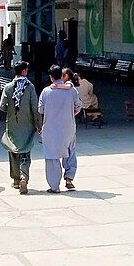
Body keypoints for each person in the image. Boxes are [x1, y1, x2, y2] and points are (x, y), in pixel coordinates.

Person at [38, 65, 82, 193]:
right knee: (70, 152)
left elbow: (40, 109)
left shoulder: (46, 91)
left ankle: (54, 186)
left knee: (52, 156)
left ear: (51, 77)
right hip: (68, 127)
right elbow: (78, 107)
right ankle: (69, 178)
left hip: (51, 129)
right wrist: (69, 114)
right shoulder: (72, 90)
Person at [0, 61, 42, 194]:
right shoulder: (30, 87)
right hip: (27, 125)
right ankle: (24, 177)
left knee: (13, 150)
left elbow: (2, 106)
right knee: (25, 151)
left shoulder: (8, 87)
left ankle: (16, 180)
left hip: (12, 124)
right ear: (24, 71)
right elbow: (35, 108)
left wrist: (12, 111)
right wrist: (38, 124)